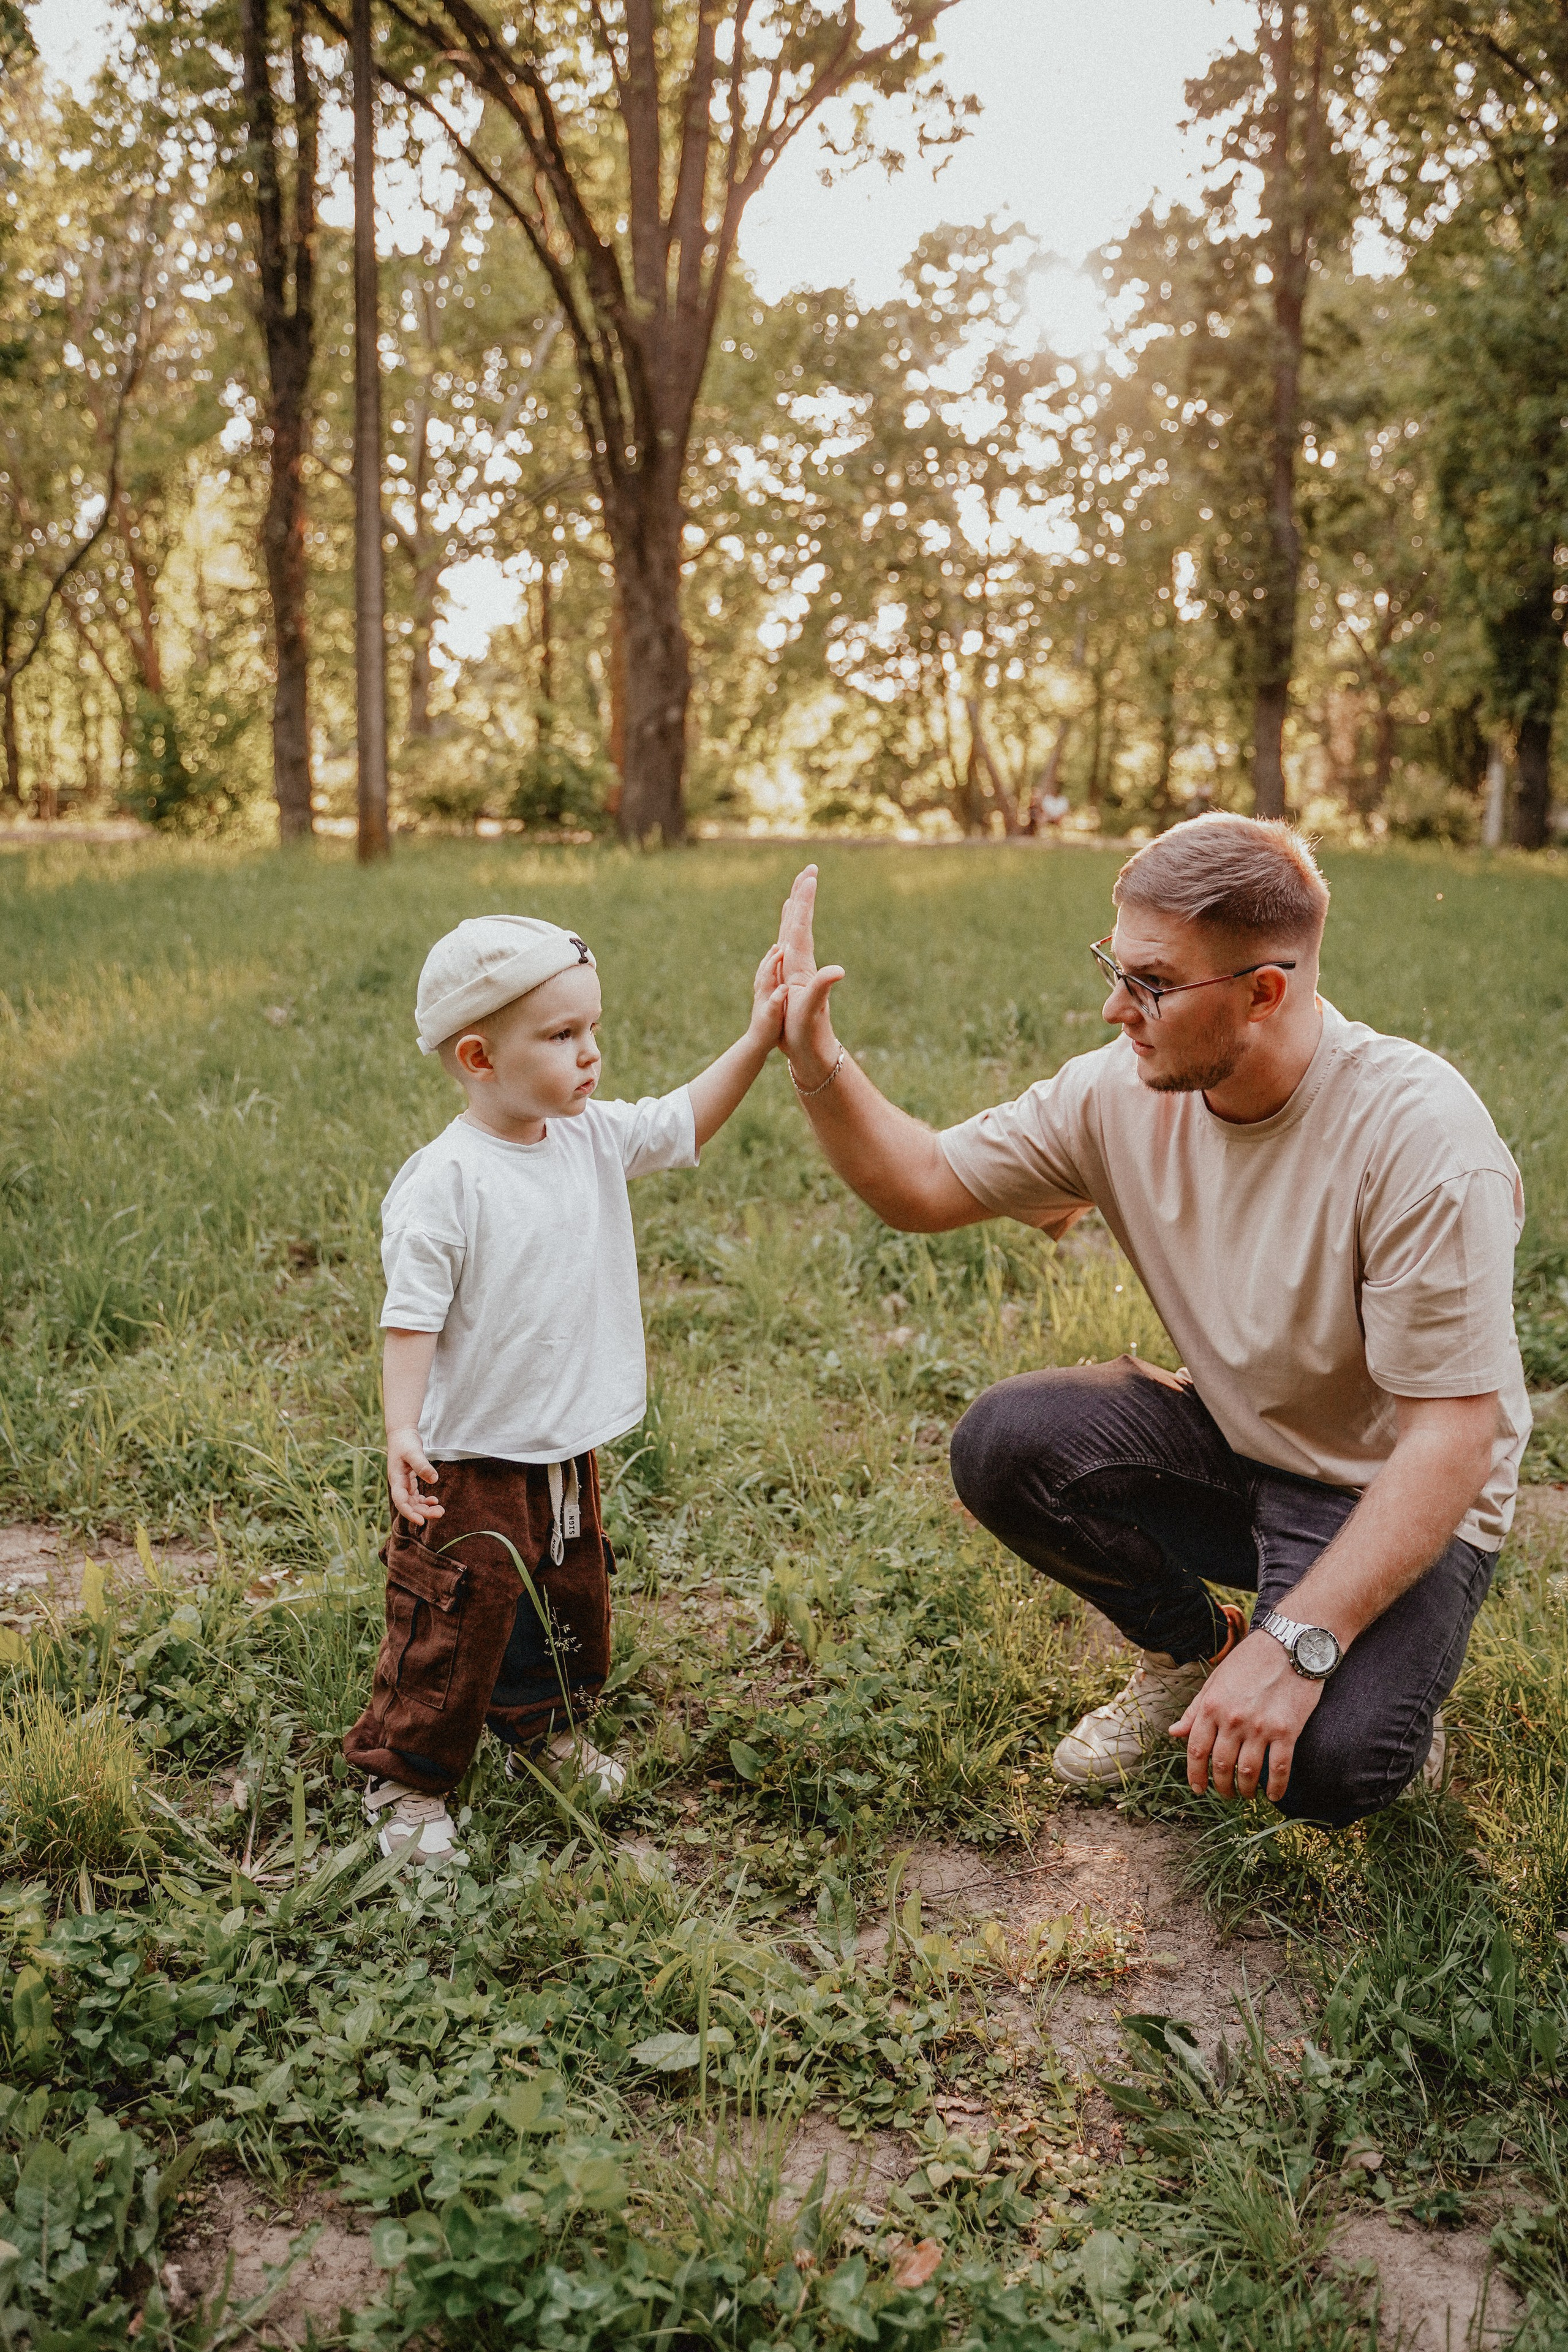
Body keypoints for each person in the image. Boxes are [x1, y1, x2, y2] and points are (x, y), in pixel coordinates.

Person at [773, 820, 1529, 1823]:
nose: (1114, 1007)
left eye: (1152, 983)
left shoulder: (1421, 1138)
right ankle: (1196, 1649)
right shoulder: (1118, 1093)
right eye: (1114, 966)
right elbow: (918, 1186)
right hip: (1243, 1448)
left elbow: (1452, 1441)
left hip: (1398, 1493)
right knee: (1005, 1444)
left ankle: (1373, 1678)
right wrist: (815, 1055)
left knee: (1327, 1765)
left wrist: (1299, 1648)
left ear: (1265, 991)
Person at [343, 913, 786, 1863]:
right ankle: (406, 1778)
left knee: (563, 1599)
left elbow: (681, 1119)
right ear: (477, 1056)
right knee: (456, 1612)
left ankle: (535, 1731)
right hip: (470, 1456)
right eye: (561, 1037)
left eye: (592, 1030)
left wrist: (758, 1036)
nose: (591, 1056)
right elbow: (410, 1317)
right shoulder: (448, 1182)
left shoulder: (586, 1139)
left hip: (562, 1442)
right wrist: (401, 1429)